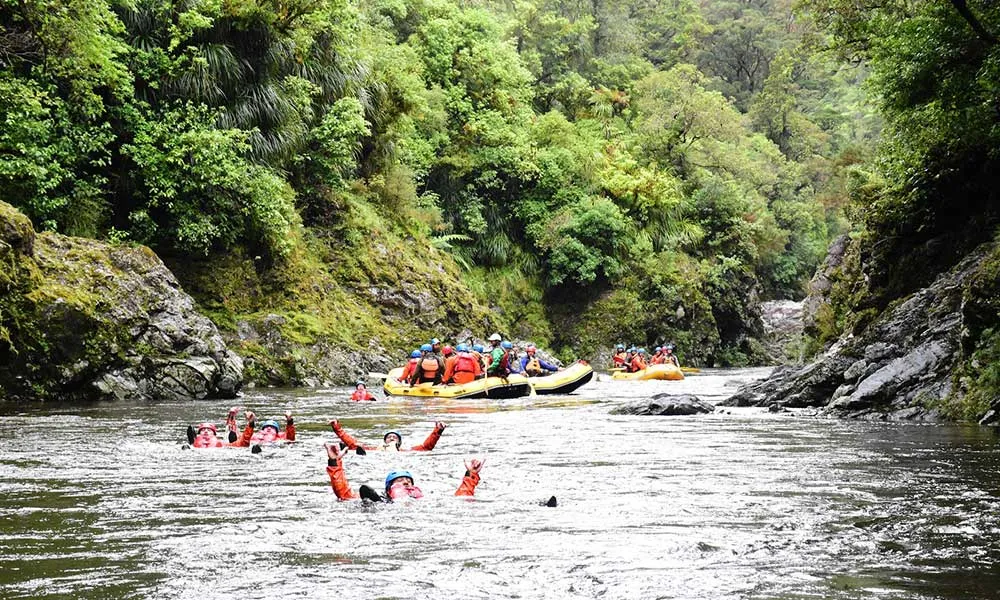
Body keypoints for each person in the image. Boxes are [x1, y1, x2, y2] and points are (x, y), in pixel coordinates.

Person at [325, 443, 483, 501]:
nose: (406, 482)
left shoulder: (426, 500)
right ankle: (372, 503)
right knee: (368, 499)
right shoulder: (386, 498)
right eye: (399, 481)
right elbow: (344, 494)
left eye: (408, 481)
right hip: (387, 510)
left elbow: (462, 499)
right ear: (389, 489)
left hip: (416, 514)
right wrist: (334, 462)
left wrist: (471, 475)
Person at [329, 419, 446, 452]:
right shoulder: (375, 448)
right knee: (352, 447)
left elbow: (427, 447)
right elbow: (354, 444)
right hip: (378, 459)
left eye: (394, 437)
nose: (391, 438)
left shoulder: (405, 450)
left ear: (399, 442)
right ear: (385, 441)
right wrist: (337, 428)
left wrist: (438, 431)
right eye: (389, 437)